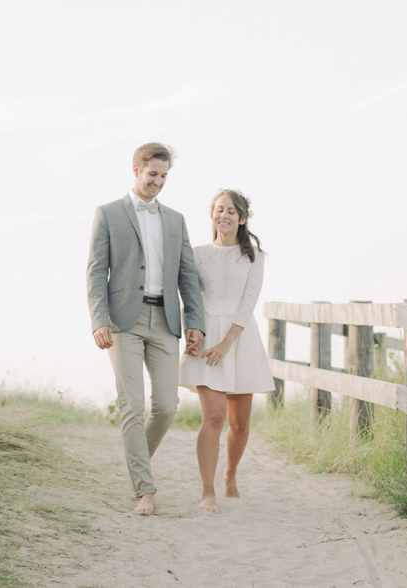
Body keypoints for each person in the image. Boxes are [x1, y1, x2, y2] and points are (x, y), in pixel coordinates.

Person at [86, 142, 205, 516]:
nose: (158, 182)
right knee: (132, 406)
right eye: (152, 174)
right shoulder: (107, 214)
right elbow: (95, 271)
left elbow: (188, 276)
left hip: (166, 320)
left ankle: (137, 466)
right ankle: (146, 490)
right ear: (136, 169)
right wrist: (98, 319)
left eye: (164, 176)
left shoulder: (175, 219)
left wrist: (195, 324)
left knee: (167, 405)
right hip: (123, 321)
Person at [179, 189, 275, 514]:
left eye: (231, 211)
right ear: (212, 215)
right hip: (207, 336)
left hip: (239, 337)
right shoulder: (196, 253)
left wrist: (227, 343)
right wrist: (193, 332)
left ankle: (230, 474)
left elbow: (248, 304)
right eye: (219, 210)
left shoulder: (254, 256)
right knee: (215, 418)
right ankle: (208, 492)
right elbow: (190, 296)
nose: (224, 215)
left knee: (240, 424)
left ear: (242, 217)